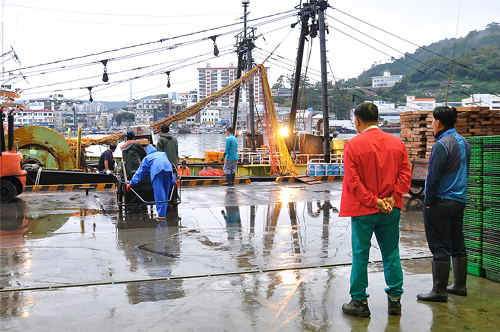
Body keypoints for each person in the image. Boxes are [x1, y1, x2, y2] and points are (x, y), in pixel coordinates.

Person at [339, 102, 412, 317]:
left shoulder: (352, 145)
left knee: (361, 255)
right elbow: (405, 174)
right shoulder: (397, 143)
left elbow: (353, 181)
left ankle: (359, 302)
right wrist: (390, 197)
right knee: (391, 254)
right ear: (378, 119)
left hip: (364, 210)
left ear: (358, 121)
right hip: (391, 208)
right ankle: (395, 300)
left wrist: (374, 201)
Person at [417, 106, 470, 302]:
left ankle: (438, 290)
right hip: (459, 200)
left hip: (441, 202)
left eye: (432, 121)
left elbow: (433, 177)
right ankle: (459, 285)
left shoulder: (442, 144)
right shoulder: (463, 142)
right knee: (457, 243)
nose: (432, 124)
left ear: (438, 122)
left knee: (439, 246)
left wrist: (428, 202)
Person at [127, 145, 176, 220]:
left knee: (159, 193)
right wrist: (173, 181)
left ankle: (161, 215)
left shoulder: (147, 158)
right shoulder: (163, 154)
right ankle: (163, 213)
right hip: (168, 170)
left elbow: (140, 171)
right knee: (165, 193)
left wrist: (131, 183)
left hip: (157, 171)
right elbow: (168, 164)